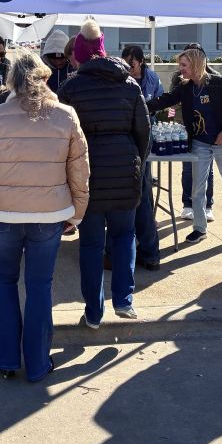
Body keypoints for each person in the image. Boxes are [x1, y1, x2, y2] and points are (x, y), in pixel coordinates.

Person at [0, 50, 90, 381]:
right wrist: (77, 213)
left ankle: (6, 360)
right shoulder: (66, 115)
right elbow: (80, 170)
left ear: (11, 81)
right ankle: (38, 364)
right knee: (40, 287)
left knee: (3, 281)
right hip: (49, 214)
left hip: (4, 214)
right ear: (45, 77)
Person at [58, 19, 151, 327]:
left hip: (87, 173)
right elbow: (144, 132)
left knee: (91, 243)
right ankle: (124, 299)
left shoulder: (70, 88)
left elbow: (61, 137)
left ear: (79, 54)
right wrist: (136, 163)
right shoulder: (130, 84)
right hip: (125, 169)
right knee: (125, 236)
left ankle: (94, 312)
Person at [149, 47, 222, 245]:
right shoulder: (185, 87)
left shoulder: (221, 84)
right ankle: (199, 228)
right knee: (197, 188)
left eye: (184, 65)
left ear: (196, 64)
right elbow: (166, 100)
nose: (180, 69)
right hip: (200, 143)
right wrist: (141, 105)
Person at [121, 44, 163, 270]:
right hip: (131, 140)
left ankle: (147, 251)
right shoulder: (122, 79)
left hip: (142, 138)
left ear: (141, 62)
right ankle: (145, 251)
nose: (130, 68)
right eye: (126, 64)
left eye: (133, 64)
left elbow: (162, 101)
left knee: (142, 194)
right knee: (140, 194)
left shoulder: (152, 78)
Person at [171, 44, 215, 223]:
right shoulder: (179, 79)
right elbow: (171, 100)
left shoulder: (215, 80)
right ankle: (187, 204)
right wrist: (173, 119)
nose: (181, 68)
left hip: (206, 134)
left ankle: (207, 206)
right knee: (188, 168)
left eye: (185, 64)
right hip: (185, 129)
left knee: (207, 171)